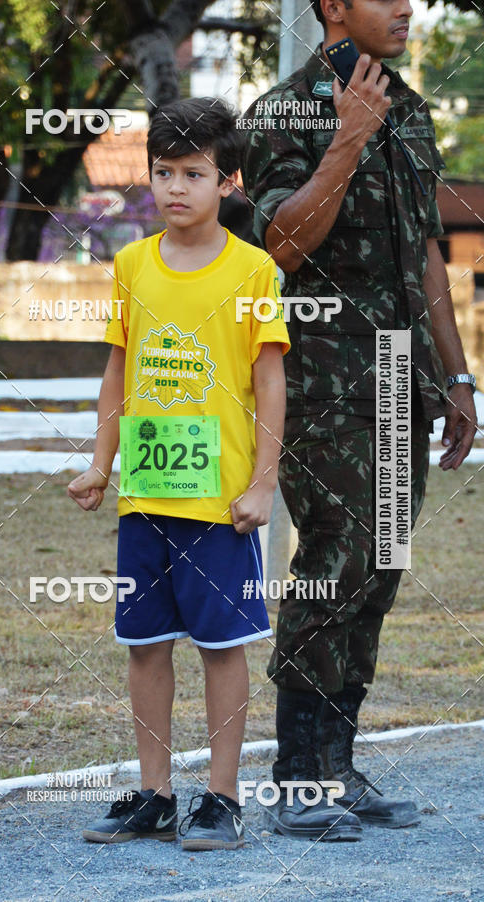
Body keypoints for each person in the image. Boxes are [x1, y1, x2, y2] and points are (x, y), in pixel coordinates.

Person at [240, 0, 477, 840]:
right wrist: (345, 139)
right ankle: (297, 777)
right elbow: (277, 245)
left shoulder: (410, 110)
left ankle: (337, 766)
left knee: (380, 567)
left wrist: (457, 374)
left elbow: (426, 252)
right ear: (334, 7)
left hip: (401, 378)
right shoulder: (283, 112)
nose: (406, 7)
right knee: (336, 559)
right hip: (320, 380)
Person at [68, 98, 290, 851]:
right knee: (146, 644)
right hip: (145, 495)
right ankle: (155, 794)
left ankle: (221, 799)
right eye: (163, 172)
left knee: (222, 647)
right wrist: (101, 463)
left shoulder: (253, 268)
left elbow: (270, 380)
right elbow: (118, 369)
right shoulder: (132, 263)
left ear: (227, 182)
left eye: (194, 174)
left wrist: (263, 481)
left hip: (220, 502)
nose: (176, 187)